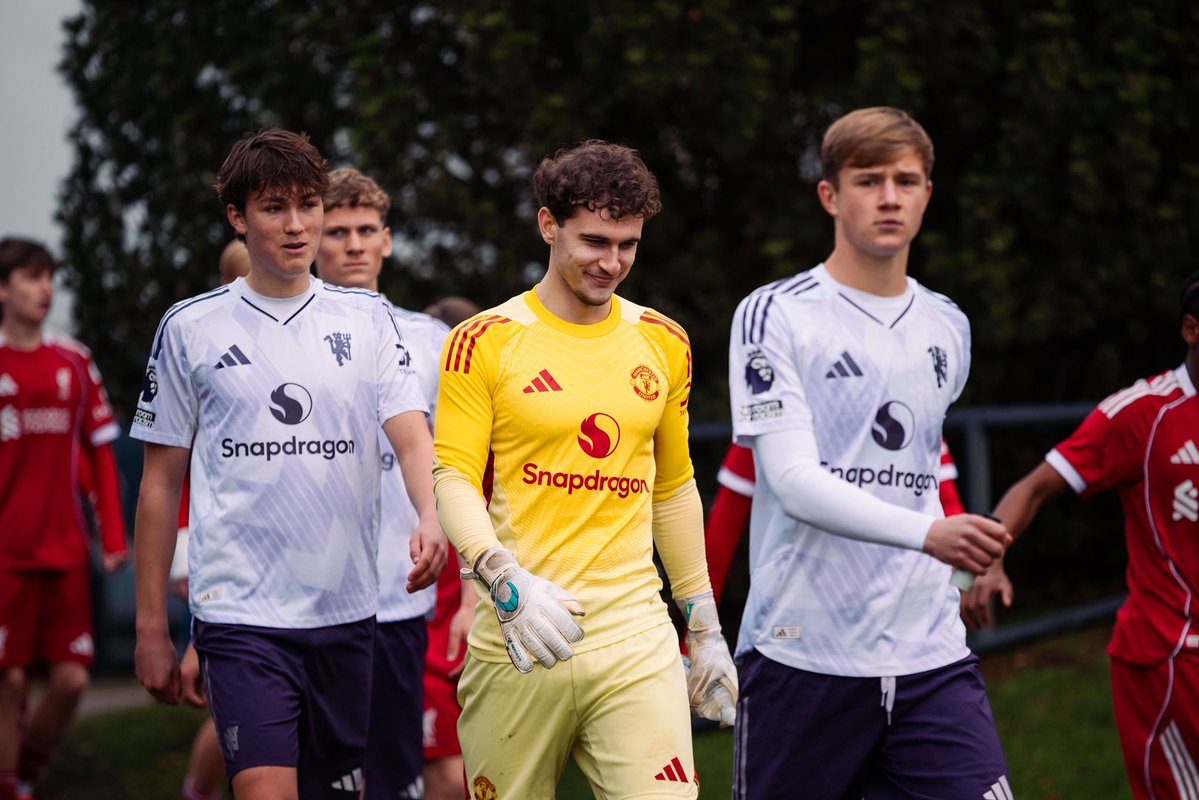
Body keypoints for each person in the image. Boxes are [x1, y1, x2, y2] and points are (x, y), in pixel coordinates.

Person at [130, 128, 447, 800]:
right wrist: (152, 627)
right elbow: (159, 485)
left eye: (310, 204)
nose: (298, 224)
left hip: (347, 610)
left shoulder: (366, 320)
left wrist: (429, 514)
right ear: (238, 218)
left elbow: (414, 438)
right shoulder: (190, 328)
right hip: (240, 613)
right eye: (275, 208)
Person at [432, 139, 737, 799]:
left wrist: (703, 624)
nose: (612, 262)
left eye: (627, 244)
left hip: (634, 634)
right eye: (595, 241)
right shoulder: (482, 340)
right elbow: (452, 477)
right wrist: (501, 578)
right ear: (549, 225)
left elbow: (674, 488)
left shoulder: (663, 339)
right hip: (518, 636)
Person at [727, 107, 1013, 799]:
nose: (889, 197)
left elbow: (922, 456)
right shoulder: (774, 314)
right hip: (804, 650)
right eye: (868, 180)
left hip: (928, 650)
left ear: (926, 195)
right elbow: (792, 482)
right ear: (829, 195)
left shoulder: (948, 323)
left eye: (905, 180)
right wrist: (932, 534)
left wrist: (962, 551)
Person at [963, 271, 1199, 800]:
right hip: (1172, 660)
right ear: (1191, 328)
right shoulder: (1142, 414)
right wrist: (990, 559)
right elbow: (1036, 488)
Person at [312, 166, 453, 799]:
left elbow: (465, 469)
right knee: (322, 780)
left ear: (388, 240)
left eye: (366, 229)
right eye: (337, 231)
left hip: (399, 597)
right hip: (305, 599)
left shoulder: (434, 342)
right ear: (314, 239)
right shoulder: (279, 339)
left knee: (399, 780)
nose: (353, 244)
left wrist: (474, 590)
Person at [0, 237, 128, 800]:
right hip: (4, 557)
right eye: (31, 277)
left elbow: (99, 453)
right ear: (3, 289)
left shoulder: (72, 360)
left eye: (49, 276)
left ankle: (23, 766)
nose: (45, 288)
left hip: (65, 550)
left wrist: (113, 534)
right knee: (7, 681)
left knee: (72, 679)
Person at [169, 238, 251, 800]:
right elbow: (173, 467)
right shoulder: (206, 352)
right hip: (215, 552)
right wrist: (182, 553)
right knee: (232, 711)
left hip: (282, 557)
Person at [704, 438, 966, 605]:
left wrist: (961, 591)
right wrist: (697, 637)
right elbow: (722, 534)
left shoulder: (913, 408)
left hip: (909, 629)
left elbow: (953, 517)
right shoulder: (775, 423)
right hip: (799, 636)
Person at [420, 295, 480, 800]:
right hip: (426, 627)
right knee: (443, 769)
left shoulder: (493, 432)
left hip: (477, 615)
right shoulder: (414, 435)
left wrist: (472, 602)